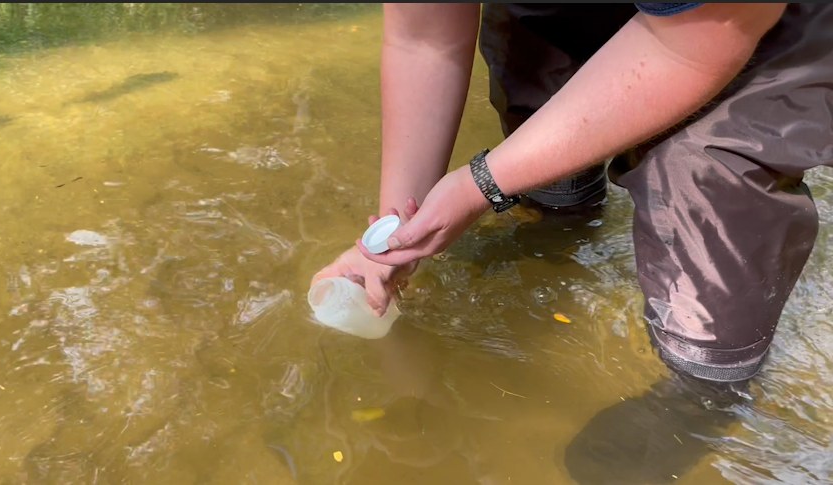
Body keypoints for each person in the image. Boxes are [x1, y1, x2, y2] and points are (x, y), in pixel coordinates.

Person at [311, 4, 832, 482]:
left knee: (704, 164)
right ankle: (559, 224)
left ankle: (705, 387)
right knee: (539, 102)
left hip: (734, 19)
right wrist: (396, 236)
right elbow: (424, 41)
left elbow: (697, 42)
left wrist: (480, 185)